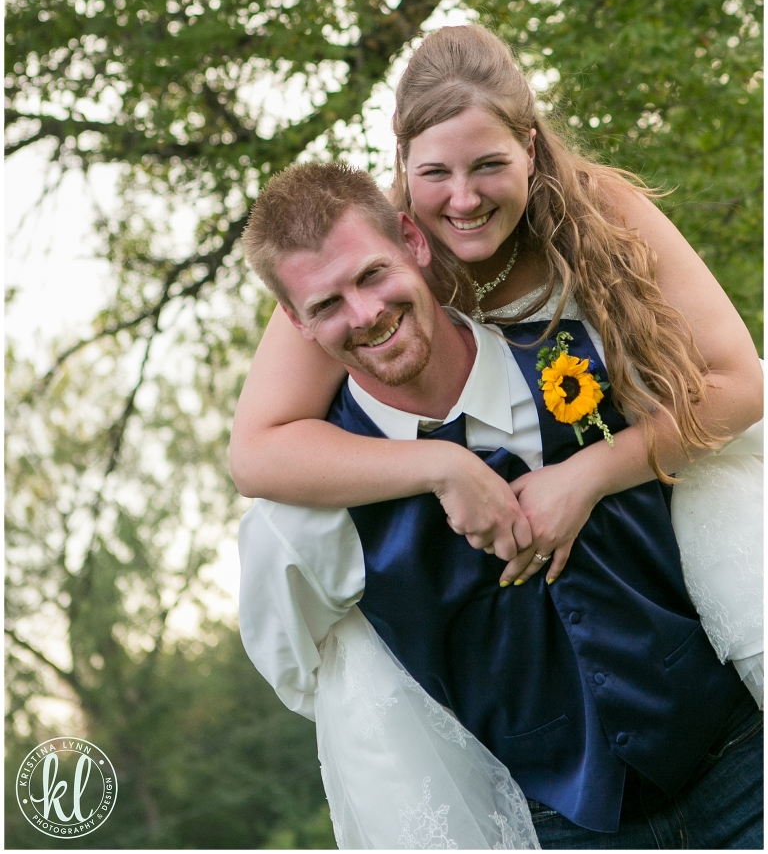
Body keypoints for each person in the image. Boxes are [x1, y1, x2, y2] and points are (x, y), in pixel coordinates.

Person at [237, 162, 762, 849]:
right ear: (294, 321)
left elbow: (734, 418)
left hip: (740, 762)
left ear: (412, 241)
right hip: (565, 824)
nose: (365, 314)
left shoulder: (584, 348)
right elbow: (305, 670)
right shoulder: (309, 514)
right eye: (326, 304)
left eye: (371, 275)